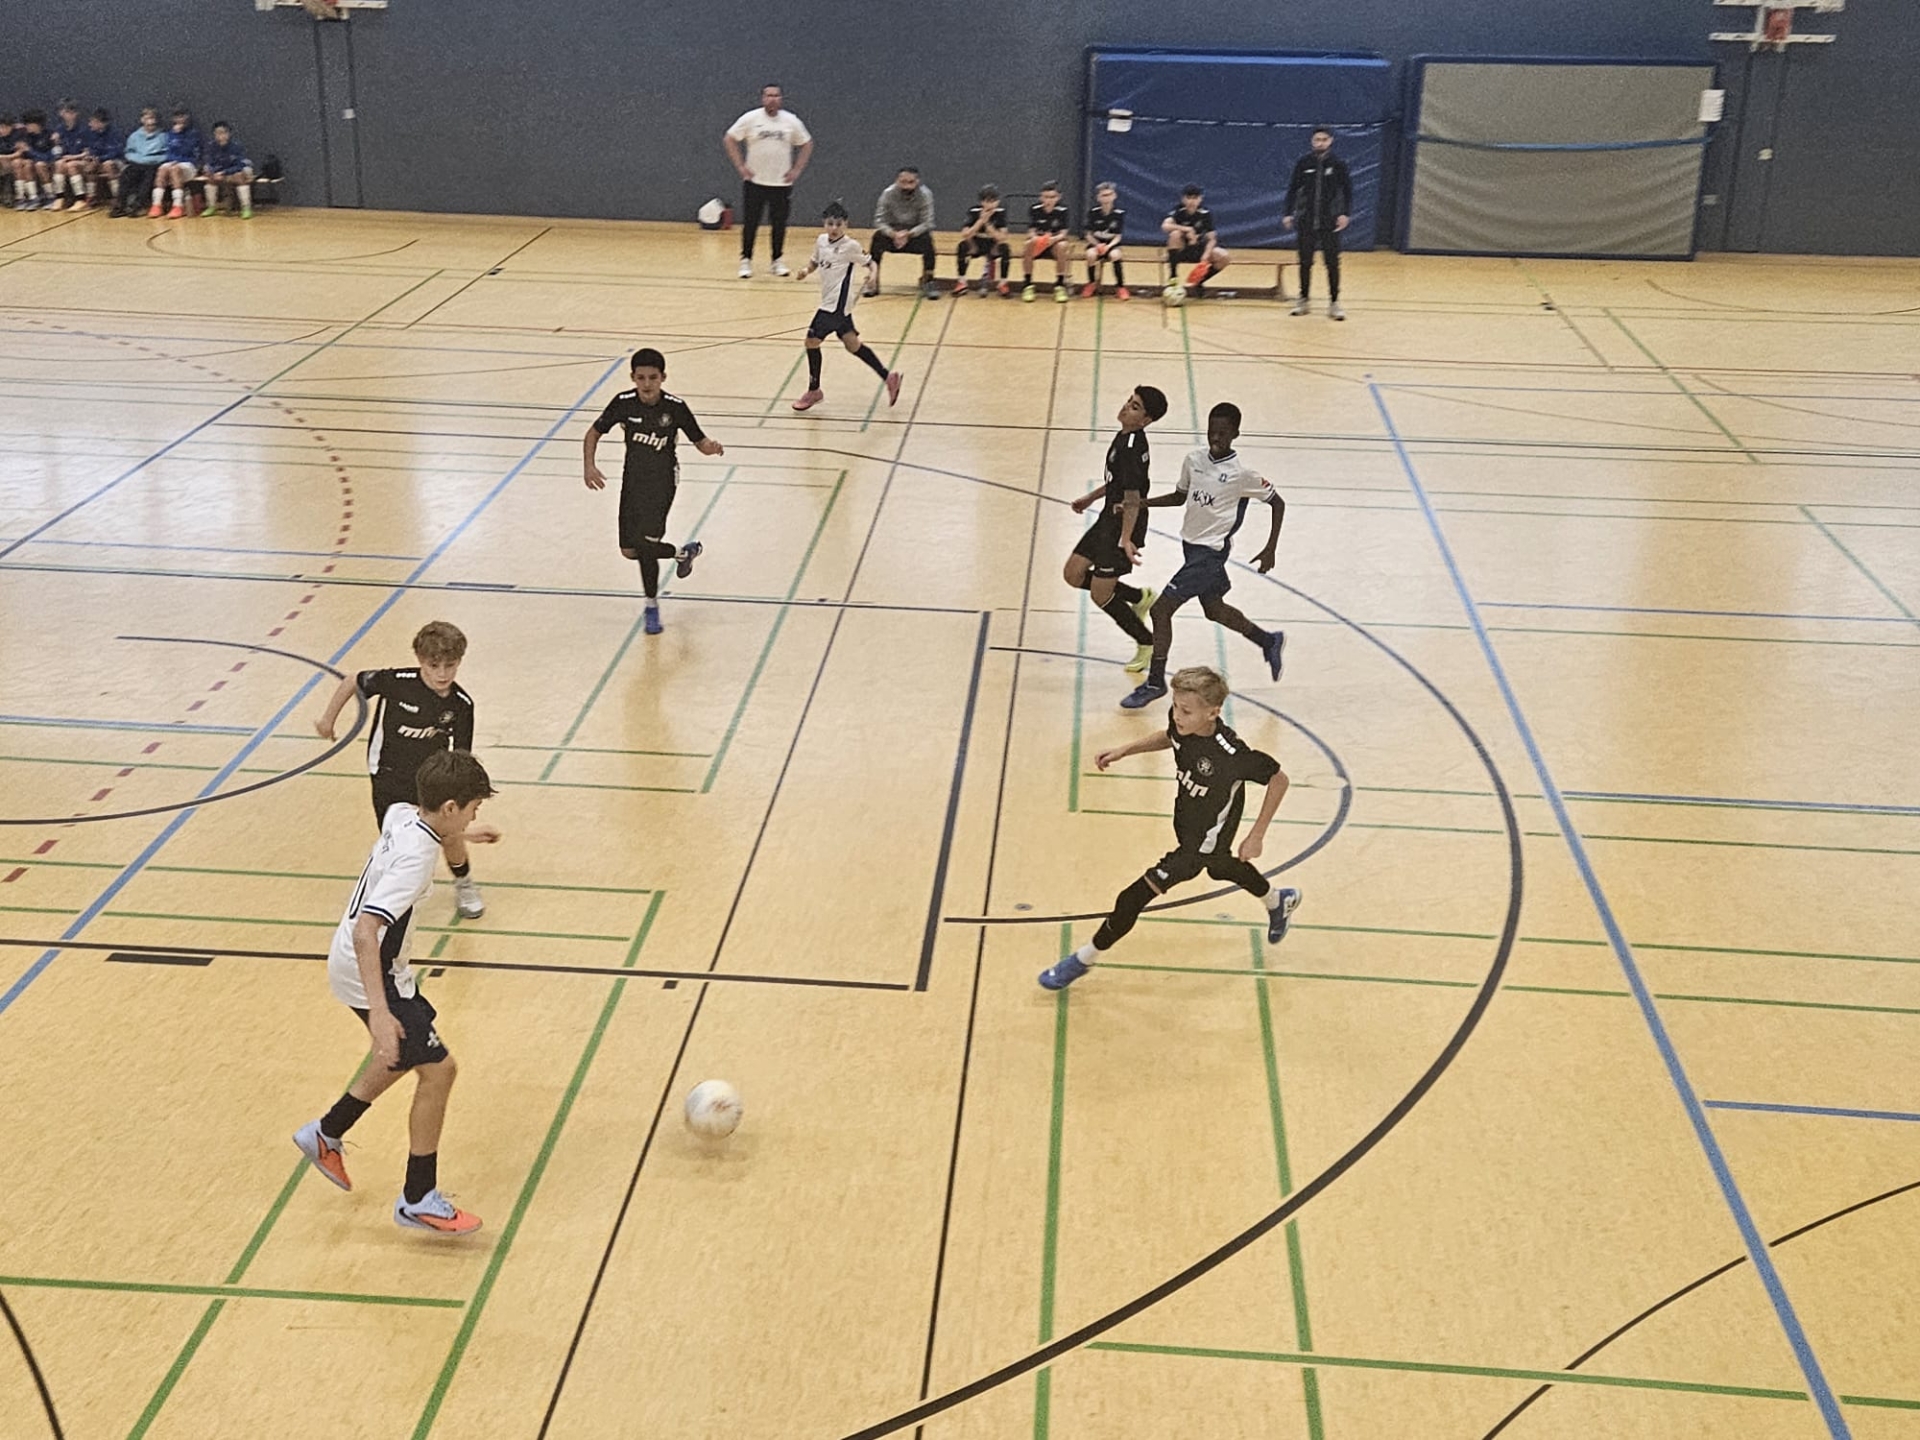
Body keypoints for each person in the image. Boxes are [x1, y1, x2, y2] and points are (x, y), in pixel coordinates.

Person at [291, 748, 501, 1236]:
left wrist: (464, 834)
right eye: (472, 809)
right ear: (449, 807)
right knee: (440, 1070)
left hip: (359, 962)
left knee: (405, 1055)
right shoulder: (416, 860)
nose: (475, 816)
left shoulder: (403, 813)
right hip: (372, 969)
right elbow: (368, 930)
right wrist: (382, 1014)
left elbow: (419, 822)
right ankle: (417, 1198)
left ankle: (326, 1132)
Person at [1040, 665, 1301, 990]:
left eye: (1186, 711)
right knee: (1220, 867)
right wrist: (1125, 750)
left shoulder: (1232, 754)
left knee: (1132, 898)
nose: (1177, 715)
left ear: (1213, 712)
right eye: (1175, 706)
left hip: (1199, 845)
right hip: (1190, 828)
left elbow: (1279, 779)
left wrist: (1256, 835)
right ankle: (1278, 901)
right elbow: (1170, 737)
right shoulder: (1182, 724)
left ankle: (1083, 959)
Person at [312, 620, 489, 919]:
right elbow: (353, 680)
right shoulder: (398, 682)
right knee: (398, 838)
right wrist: (328, 720)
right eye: (434, 665)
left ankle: (464, 883)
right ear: (420, 660)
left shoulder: (461, 704)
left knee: (450, 835)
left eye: (450, 665)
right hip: (387, 774)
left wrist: (464, 806)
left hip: (432, 781)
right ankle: (388, 892)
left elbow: (461, 758)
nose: (442, 674)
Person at [1120, 402, 1286, 709]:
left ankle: (1155, 682)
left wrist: (1270, 547)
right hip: (1191, 548)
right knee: (1214, 609)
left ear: (1236, 433)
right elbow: (1179, 497)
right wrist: (1141, 504)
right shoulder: (1194, 460)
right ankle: (1268, 640)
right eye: (1212, 431)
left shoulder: (1242, 475)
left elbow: (1278, 502)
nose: (1216, 437)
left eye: (1223, 432)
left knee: (1160, 611)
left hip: (1209, 555)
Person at [583, 347, 723, 635]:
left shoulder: (675, 407)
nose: (647, 384)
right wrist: (589, 466)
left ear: (663, 377)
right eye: (641, 378)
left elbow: (700, 441)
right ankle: (682, 553)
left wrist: (711, 447)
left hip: (662, 483)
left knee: (646, 546)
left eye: (653, 378)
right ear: (633, 377)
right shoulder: (623, 403)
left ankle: (651, 606)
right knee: (629, 550)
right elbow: (593, 433)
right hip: (632, 481)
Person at [1065, 385, 1168, 673]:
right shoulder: (1125, 435)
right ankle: (1139, 598)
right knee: (1073, 574)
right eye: (1129, 401)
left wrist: (1125, 539)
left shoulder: (1133, 448)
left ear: (1146, 420)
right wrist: (1091, 498)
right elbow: (1116, 482)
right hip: (1108, 518)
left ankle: (1146, 642)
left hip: (1123, 524)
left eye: (1135, 407)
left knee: (1100, 594)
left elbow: (1132, 498)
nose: (1126, 407)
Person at [789, 200, 904, 412]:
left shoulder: (850, 246)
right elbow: (815, 261)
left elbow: (871, 261)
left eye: (838, 224)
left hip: (834, 307)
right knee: (853, 345)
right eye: (830, 224)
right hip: (836, 306)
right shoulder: (821, 241)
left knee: (811, 341)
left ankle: (814, 390)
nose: (834, 228)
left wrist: (873, 275)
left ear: (846, 224)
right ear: (824, 223)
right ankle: (889, 377)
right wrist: (806, 271)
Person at [723, 84, 812, 280]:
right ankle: (746, 260)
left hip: (781, 184)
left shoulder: (791, 121)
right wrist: (741, 166)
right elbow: (729, 139)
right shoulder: (750, 118)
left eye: (776, 95)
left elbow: (807, 143)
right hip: (755, 182)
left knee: (779, 224)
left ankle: (777, 260)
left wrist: (796, 169)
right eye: (769, 95)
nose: (772, 99)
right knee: (751, 223)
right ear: (763, 98)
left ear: (781, 99)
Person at [1284, 127, 1352, 321]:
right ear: (1312, 141)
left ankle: (1334, 302)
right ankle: (1303, 299)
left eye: (1324, 139)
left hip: (1330, 221)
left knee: (1332, 262)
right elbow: (1293, 189)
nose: (1320, 143)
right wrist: (1288, 213)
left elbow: (1347, 191)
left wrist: (1344, 213)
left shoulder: (1338, 164)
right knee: (1305, 262)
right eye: (1317, 139)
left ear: (1330, 141)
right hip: (1306, 220)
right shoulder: (1304, 163)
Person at [868, 166, 938, 299]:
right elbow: (879, 221)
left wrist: (909, 234)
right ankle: (873, 280)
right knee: (877, 239)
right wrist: (893, 233)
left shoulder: (925, 195)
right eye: (903, 182)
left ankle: (929, 280)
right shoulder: (888, 194)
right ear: (897, 181)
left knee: (928, 242)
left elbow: (927, 222)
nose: (906, 186)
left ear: (917, 182)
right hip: (893, 233)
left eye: (910, 182)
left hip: (914, 234)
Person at [1162, 184, 1230, 297]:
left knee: (1224, 257)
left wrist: (1206, 255)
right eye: (1188, 198)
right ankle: (1173, 277)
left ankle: (1199, 282)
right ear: (1183, 199)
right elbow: (1165, 226)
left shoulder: (1205, 213)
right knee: (1175, 234)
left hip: (1199, 249)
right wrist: (1187, 229)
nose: (1191, 201)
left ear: (1200, 199)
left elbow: (1212, 238)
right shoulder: (1178, 210)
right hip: (1182, 249)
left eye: (1195, 198)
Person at [952, 185, 1012, 297]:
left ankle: (1003, 283)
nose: (991, 205)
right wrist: (980, 221)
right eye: (988, 201)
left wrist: (987, 224)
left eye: (994, 201)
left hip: (992, 244)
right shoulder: (973, 211)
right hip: (976, 244)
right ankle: (962, 281)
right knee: (962, 246)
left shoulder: (1000, 213)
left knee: (1005, 249)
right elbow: (966, 234)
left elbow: (1002, 237)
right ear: (982, 202)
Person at [1021, 181, 1075, 303]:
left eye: (1052, 197)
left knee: (1062, 246)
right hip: (1039, 243)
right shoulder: (1035, 209)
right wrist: (1036, 238)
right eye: (1046, 197)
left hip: (1054, 243)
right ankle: (1027, 284)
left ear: (1058, 197)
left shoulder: (1063, 210)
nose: (1049, 200)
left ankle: (1060, 285)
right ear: (1041, 197)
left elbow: (1063, 233)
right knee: (1028, 244)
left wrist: (1052, 240)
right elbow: (1031, 231)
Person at [1080, 180, 1130, 299]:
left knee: (1115, 255)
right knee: (1090, 255)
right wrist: (1097, 245)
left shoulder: (1119, 214)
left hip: (1111, 244)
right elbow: (1088, 235)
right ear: (1098, 198)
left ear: (1114, 196)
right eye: (1103, 195)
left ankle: (1120, 287)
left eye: (1109, 195)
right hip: (1096, 243)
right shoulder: (1093, 213)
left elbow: (1118, 236)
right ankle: (1091, 283)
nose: (1107, 198)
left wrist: (1108, 246)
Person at [115, 108, 166, 218]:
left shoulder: (163, 136)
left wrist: (151, 159)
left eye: (152, 118)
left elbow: (166, 154)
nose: (150, 121)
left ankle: (138, 205)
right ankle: (120, 205)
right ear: (142, 120)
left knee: (148, 179)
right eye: (147, 118)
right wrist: (138, 159)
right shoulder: (134, 136)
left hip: (153, 164)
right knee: (125, 176)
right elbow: (128, 152)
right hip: (136, 163)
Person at [152, 106, 202, 218]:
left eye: (182, 116)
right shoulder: (170, 134)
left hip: (189, 165)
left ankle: (178, 206)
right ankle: (156, 205)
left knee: (175, 169)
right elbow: (168, 152)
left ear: (187, 117)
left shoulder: (193, 134)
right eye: (177, 117)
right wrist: (172, 161)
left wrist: (179, 136)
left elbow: (189, 151)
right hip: (172, 163)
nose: (180, 119)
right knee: (162, 169)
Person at [200, 121, 254, 217]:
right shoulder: (211, 146)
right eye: (218, 133)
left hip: (232, 173)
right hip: (218, 174)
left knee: (240, 176)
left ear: (229, 133)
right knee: (209, 176)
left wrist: (224, 172)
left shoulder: (236, 146)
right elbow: (209, 163)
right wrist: (214, 172)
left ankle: (246, 208)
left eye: (224, 133)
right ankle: (211, 207)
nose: (221, 136)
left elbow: (240, 165)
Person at [9, 110, 52, 211]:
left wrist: (29, 150)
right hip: (32, 162)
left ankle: (50, 195)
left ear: (36, 125)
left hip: (45, 163)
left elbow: (48, 157)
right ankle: (25, 197)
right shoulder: (26, 135)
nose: (26, 127)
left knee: (36, 165)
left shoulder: (49, 135)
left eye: (28, 124)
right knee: (18, 163)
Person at [46, 100, 85, 210]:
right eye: (63, 112)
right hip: (66, 159)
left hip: (81, 159)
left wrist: (73, 157)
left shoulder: (83, 130)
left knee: (71, 165)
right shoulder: (60, 129)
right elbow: (58, 149)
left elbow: (88, 152)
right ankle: (60, 197)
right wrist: (56, 144)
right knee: (59, 164)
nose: (64, 114)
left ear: (75, 114)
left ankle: (81, 199)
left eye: (68, 112)